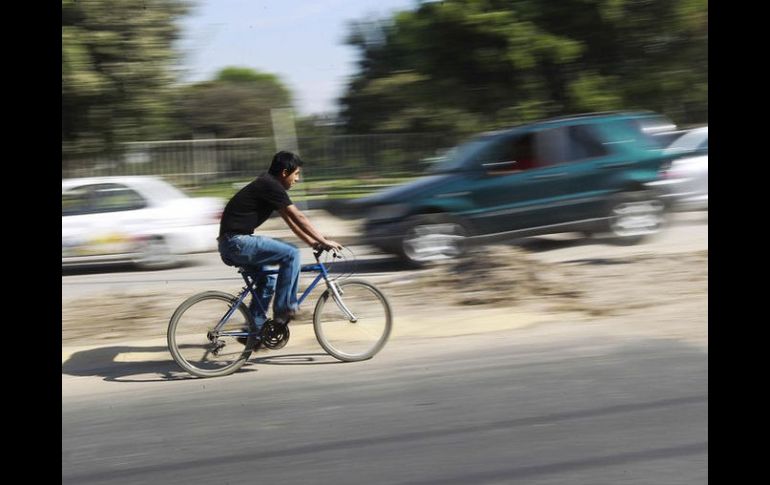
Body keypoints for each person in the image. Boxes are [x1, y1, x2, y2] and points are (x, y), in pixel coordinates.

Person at [217, 151, 343, 327]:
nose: (297, 179)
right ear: (284, 172)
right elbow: (298, 216)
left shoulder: (269, 185)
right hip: (237, 242)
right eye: (296, 174)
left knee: (267, 281)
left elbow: (291, 221)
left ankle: (256, 329)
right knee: (291, 253)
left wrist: (313, 242)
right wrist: (324, 240)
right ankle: (284, 309)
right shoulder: (270, 185)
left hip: (231, 244)